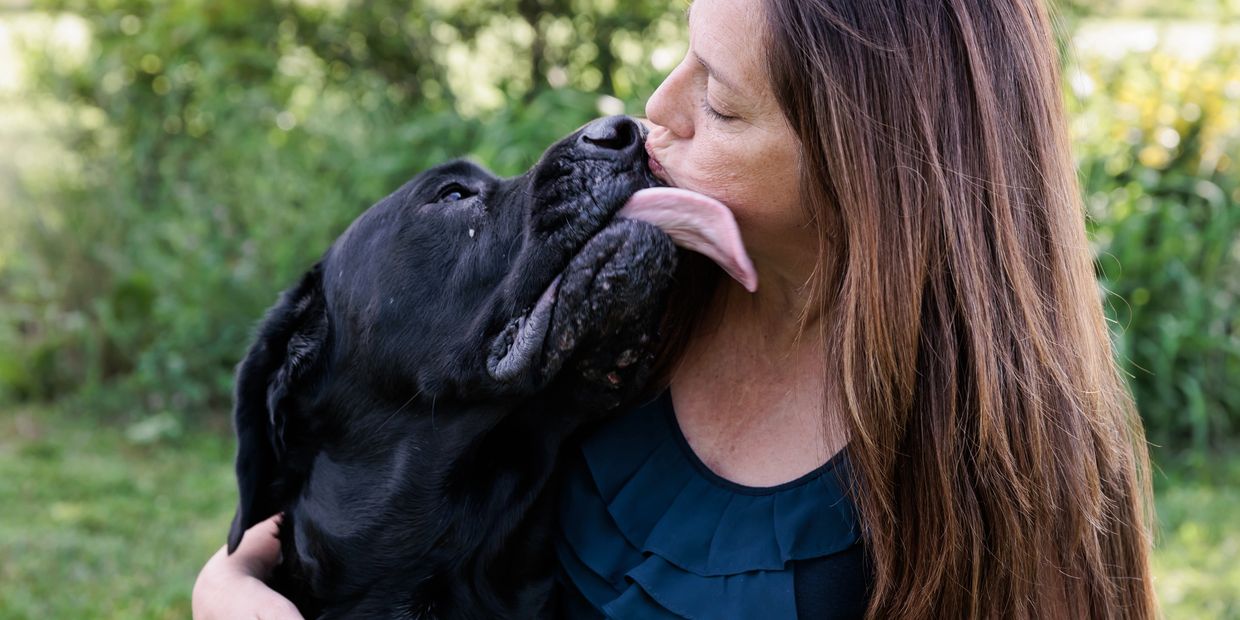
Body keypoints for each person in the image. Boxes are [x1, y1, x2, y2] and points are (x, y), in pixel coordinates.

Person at [194, 0, 1157, 617]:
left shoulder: (1003, 464)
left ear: (868, 170)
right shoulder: (634, 301)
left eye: (725, 105)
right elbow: (356, 497)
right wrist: (229, 590)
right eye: (681, 52)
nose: (654, 108)